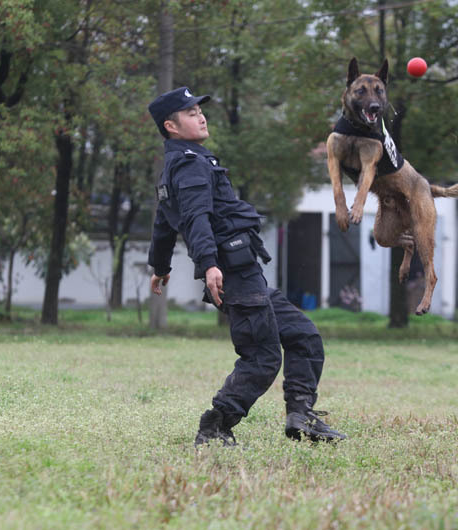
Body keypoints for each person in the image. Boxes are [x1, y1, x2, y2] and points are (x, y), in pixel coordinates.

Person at [147, 87, 347, 446]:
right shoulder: (190, 163)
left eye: (199, 110)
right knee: (262, 357)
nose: (201, 116)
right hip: (233, 273)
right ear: (171, 126)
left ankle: (301, 416)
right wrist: (209, 264)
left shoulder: (180, 164)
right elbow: (195, 218)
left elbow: (164, 223)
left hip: (245, 273)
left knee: (303, 335)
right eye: (191, 113)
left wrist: (160, 266)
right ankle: (215, 426)